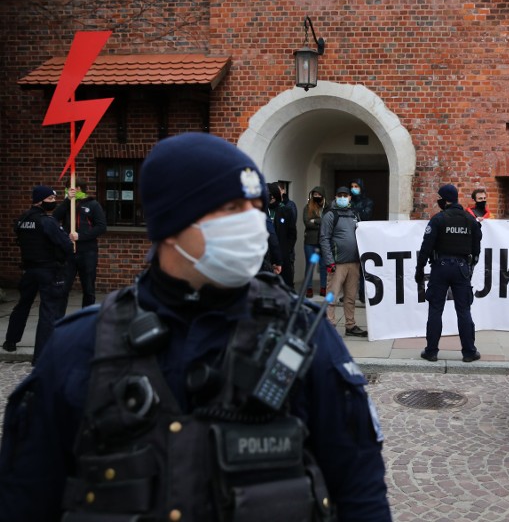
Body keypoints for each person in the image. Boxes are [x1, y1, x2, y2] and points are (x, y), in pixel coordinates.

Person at [0, 133, 391, 522]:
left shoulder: (304, 334)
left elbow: (360, 490)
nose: (253, 225)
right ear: (172, 222)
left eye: (255, 209)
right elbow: (28, 498)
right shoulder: (81, 346)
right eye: (231, 208)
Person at [3, 185, 74, 361]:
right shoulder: (47, 221)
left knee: (22, 305)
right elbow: (65, 245)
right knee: (48, 311)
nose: (53, 202)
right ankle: (42, 357)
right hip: (48, 270)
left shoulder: (22, 219)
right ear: (40, 200)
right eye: (50, 199)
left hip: (29, 270)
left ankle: (10, 341)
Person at [414, 184, 482, 363]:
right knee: (464, 310)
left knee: (436, 309)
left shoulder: (438, 220)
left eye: (440, 199)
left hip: (440, 267)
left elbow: (425, 248)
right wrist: (470, 268)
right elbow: (476, 250)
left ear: (445, 200)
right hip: (461, 268)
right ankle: (469, 352)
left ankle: (431, 351)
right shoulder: (470, 220)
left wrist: (419, 270)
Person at [52, 178, 107, 313]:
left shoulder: (93, 205)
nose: (68, 190)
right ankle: (58, 322)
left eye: (70, 188)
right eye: (66, 188)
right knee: (63, 289)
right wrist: (66, 201)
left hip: (87, 252)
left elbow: (101, 227)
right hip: (68, 252)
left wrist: (81, 236)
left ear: (79, 188)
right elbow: (54, 218)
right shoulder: (66, 205)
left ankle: (86, 319)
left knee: (88, 289)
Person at [320, 186, 367, 337]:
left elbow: (361, 234)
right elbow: (324, 238)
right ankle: (329, 325)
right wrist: (329, 261)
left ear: (349, 197)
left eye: (345, 195)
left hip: (354, 263)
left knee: (351, 297)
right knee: (331, 296)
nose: (342, 197)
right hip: (336, 263)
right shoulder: (330, 214)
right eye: (339, 195)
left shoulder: (355, 214)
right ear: (335, 196)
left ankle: (350, 325)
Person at [267, 181, 298, 287]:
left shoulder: (286, 211)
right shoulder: (262, 211)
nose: (270, 198)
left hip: (282, 255)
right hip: (265, 257)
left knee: (284, 286)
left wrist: (286, 249)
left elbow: (292, 233)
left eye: (272, 195)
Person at [303, 185, 329, 297]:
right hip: (310, 241)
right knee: (310, 264)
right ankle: (308, 288)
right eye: (314, 194)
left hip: (323, 241)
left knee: (323, 265)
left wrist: (315, 221)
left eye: (318, 194)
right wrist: (320, 222)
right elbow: (307, 223)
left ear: (322, 195)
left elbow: (327, 222)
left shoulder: (328, 207)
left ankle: (324, 287)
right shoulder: (307, 207)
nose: (316, 196)